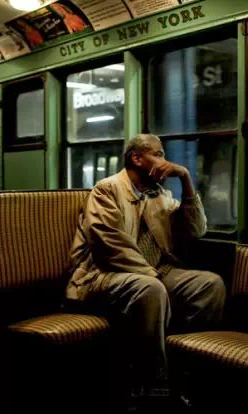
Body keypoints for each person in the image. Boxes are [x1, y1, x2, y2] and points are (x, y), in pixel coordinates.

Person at [66, 134, 226, 406]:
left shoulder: (159, 195)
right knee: (150, 288)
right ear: (137, 158)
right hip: (102, 274)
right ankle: (154, 385)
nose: (166, 161)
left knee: (210, 285)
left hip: (155, 271)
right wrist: (153, 277)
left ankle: (183, 367)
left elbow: (196, 230)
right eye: (159, 154)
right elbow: (109, 245)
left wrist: (186, 180)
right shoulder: (107, 190)